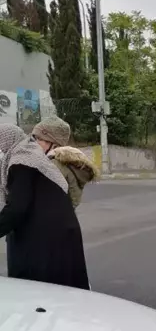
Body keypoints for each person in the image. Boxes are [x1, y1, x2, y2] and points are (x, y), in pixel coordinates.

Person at [0, 124, 89, 289]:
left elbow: (17, 207)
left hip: (43, 239)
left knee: (40, 293)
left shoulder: (22, 161)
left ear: (7, 141)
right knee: (63, 291)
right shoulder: (33, 156)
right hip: (55, 233)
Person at [32, 116, 99, 208]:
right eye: (35, 138)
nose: (35, 143)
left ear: (54, 143)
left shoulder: (53, 166)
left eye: (40, 139)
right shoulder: (65, 162)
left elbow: (42, 200)